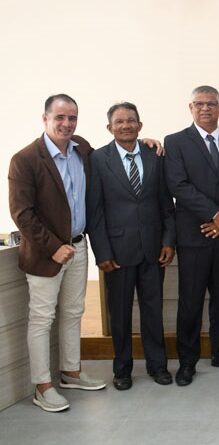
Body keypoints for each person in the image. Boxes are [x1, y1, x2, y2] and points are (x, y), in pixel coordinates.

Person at [8, 94, 106, 412]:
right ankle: (42, 386)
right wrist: (54, 247)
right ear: (45, 119)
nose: (67, 123)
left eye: (72, 117)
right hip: (45, 254)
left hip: (79, 246)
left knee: (73, 312)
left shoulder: (82, 148)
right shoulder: (25, 159)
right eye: (60, 117)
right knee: (41, 318)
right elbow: (22, 214)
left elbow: (111, 160)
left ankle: (71, 373)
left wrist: (143, 143)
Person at [165, 85, 219, 386]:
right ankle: (187, 361)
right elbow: (178, 185)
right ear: (190, 108)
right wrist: (215, 214)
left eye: (211, 104)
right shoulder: (175, 142)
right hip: (194, 235)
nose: (205, 108)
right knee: (190, 301)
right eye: (199, 104)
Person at [87, 102, 176, 390]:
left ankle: (157, 366)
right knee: (120, 314)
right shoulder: (98, 159)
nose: (125, 125)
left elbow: (166, 204)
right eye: (119, 121)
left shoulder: (155, 156)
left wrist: (168, 241)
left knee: (153, 311)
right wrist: (102, 252)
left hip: (153, 249)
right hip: (117, 253)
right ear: (109, 127)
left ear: (140, 125)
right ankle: (122, 369)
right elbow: (95, 211)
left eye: (131, 120)